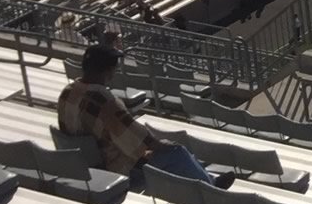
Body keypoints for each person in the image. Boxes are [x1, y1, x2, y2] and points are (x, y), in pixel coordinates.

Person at [58, 43, 225, 187]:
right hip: (114, 168)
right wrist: (163, 145)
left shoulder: (67, 92)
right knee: (176, 151)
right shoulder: (106, 103)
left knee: (175, 151)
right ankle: (212, 188)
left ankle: (208, 177)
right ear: (108, 71)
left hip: (83, 161)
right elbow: (141, 142)